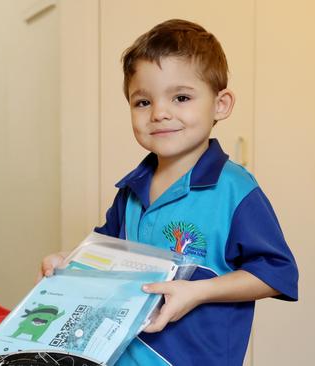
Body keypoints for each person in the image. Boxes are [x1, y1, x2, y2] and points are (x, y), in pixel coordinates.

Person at [40, 19, 298, 366]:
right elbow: (102, 252)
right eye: (143, 102)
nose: (160, 113)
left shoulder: (235, 190)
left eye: (181, 97)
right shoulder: (131, 189)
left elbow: (275, 273)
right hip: (121, 354)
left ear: (220, 104)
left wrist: (197, 292)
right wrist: (67, 261)